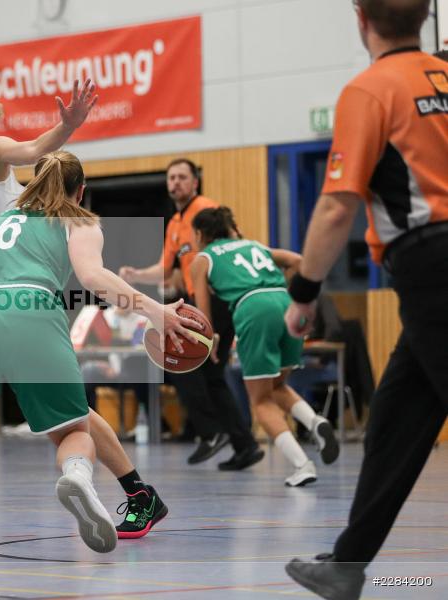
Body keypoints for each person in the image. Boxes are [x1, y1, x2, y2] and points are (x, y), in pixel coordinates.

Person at [0, 150, 195, 567]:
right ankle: (78, 478)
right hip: (28, 305)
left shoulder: (4, 219)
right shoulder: (78, 219)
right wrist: (156, 311)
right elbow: (93, 278)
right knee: (72, 430)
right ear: (80, 191)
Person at [283, 2, 448, 598]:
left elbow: (335, 206)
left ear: (360, 19)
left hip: (433, 263)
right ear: (426, 16)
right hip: (430, 275)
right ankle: (347, 566)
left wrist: (303, 295)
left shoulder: (372, 89)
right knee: (397, 417)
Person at [119, 159, 263, 469]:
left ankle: (211, 433)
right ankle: (244, 444)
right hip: (195, 301)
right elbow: (164, 269)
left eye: (182, 177)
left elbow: (236, 246)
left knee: (178, 363)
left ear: (194, 182)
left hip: (216, 297)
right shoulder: (173, 223)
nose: (175, 183)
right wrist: (136, 274)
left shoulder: (208, 210)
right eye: (171, 178)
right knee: (212, 376)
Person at [190, 207, 339, 487]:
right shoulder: (254, 245)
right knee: (277, 386)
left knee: (260, 401)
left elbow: (203, 311)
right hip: (286, 301)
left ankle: (302, 464)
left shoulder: (202, 258)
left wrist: (209, 339)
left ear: (200, 234)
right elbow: (298, 261)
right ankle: (315, 422)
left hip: (253, 307)